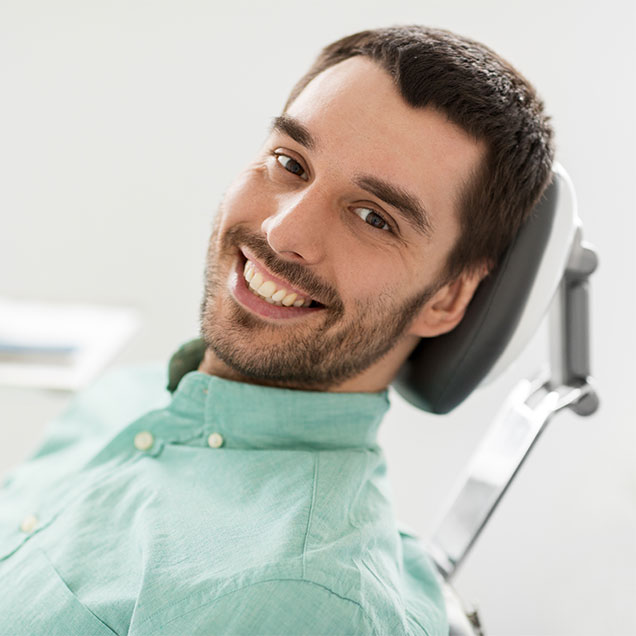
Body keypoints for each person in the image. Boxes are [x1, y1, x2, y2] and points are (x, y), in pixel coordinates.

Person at [0, 25, 553, 636]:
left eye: (374, 217)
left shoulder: (302, 599)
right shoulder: (124, 397)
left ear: (448, 297)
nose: (283, 232)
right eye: (291, 163)